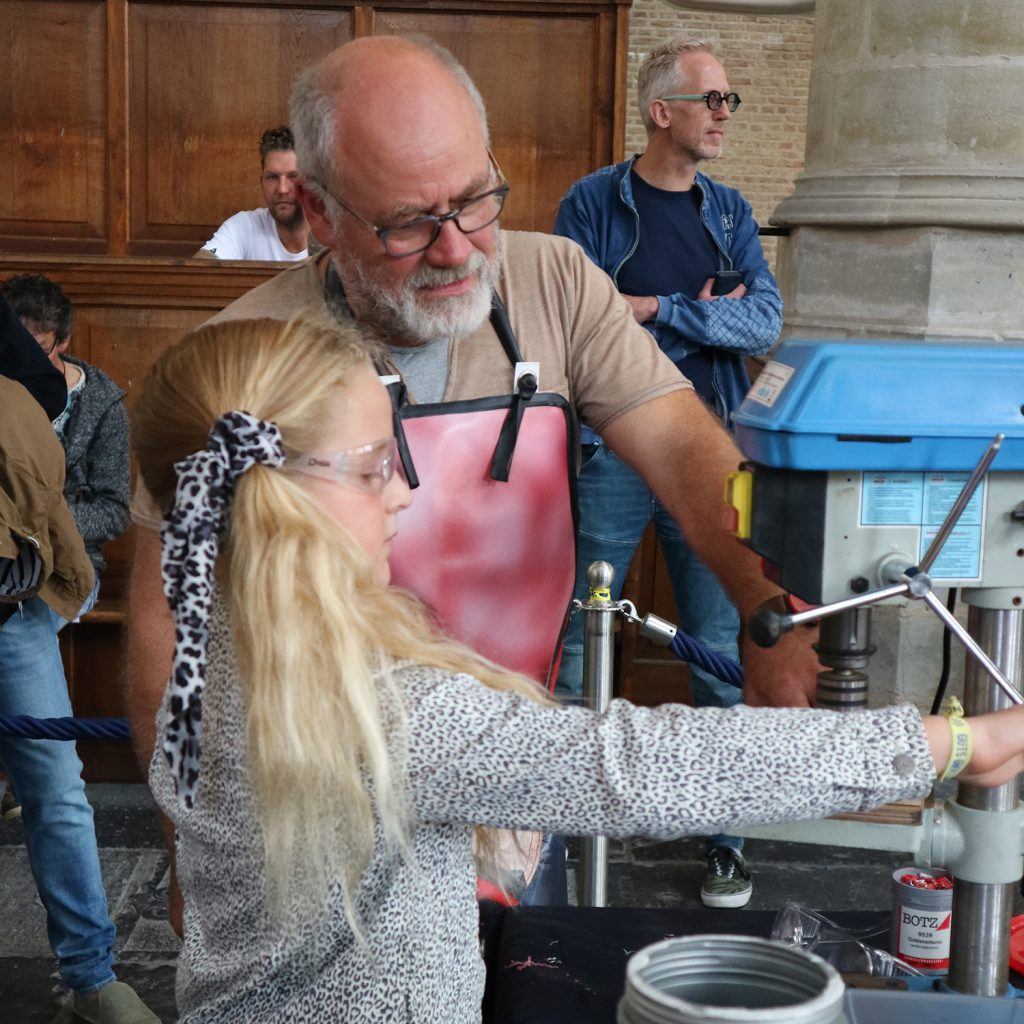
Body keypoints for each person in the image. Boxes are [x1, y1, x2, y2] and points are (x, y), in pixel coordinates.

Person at [131, 313, 1024, 1023]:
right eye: (375, 469)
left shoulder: (214, 654)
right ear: (280, 505)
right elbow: (630, 765)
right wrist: (946, 743)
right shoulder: (375, 711)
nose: (405, 489)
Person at [124, 35, 819, 916]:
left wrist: (772, 611)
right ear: (321, 211)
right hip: (323, 806)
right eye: (409, 222)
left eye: (475, 201)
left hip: (517, 773)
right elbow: (167, 622)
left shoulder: (555, 280)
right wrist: (187, 839)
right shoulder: (235, 359)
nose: (457, 251)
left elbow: (687, 450)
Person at [553, 38, 781, 909]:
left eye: (729, 99)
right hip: (610, 444)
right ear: (661, 112)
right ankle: (567, 824)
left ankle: (725, 841)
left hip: (708, 443)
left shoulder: (729, 212)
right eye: (712, 98)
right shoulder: (593, 203)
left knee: (720, 648)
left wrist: (653, 309)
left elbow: (763, 315)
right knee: (581, 636)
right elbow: (579, 320)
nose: (725, 112)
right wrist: (696, 318)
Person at [0, 306, 155, 1023]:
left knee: (57, 789)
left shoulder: (85, 395)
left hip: (13, 603)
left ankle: (92, 979)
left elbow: (46, 395)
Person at [1, 274, 131, 594]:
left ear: (64, 341)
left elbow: (114, 511)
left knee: (23, 619)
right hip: (5, 545)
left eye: (39, 351)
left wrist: (43, 520)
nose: (23, 364)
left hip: (70, 559)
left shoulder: (103, 406)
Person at [197, 127, 311, 261]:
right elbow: (201, 268)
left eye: (293, 176)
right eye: (272, 177)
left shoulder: (332, 233)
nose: (282, 189)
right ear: (261, 181)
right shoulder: (245, 226)